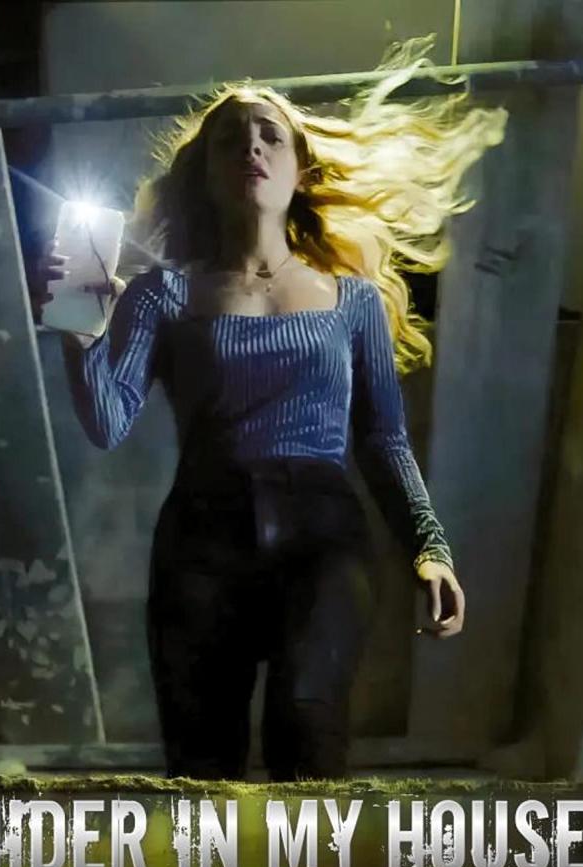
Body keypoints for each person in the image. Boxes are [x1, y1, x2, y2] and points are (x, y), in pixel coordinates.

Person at [39, 37, 507, 781]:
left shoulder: (352, 301)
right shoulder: (161, 295)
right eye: (230, 139)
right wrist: (80, 337)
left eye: (269, 135)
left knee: (308, 736)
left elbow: (384, 439)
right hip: (201, 541)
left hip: (322, 540)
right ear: (206, 173)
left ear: (299, 168)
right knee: (201, 763)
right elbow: (106, 421)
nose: (251, 148)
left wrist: (430, 548)